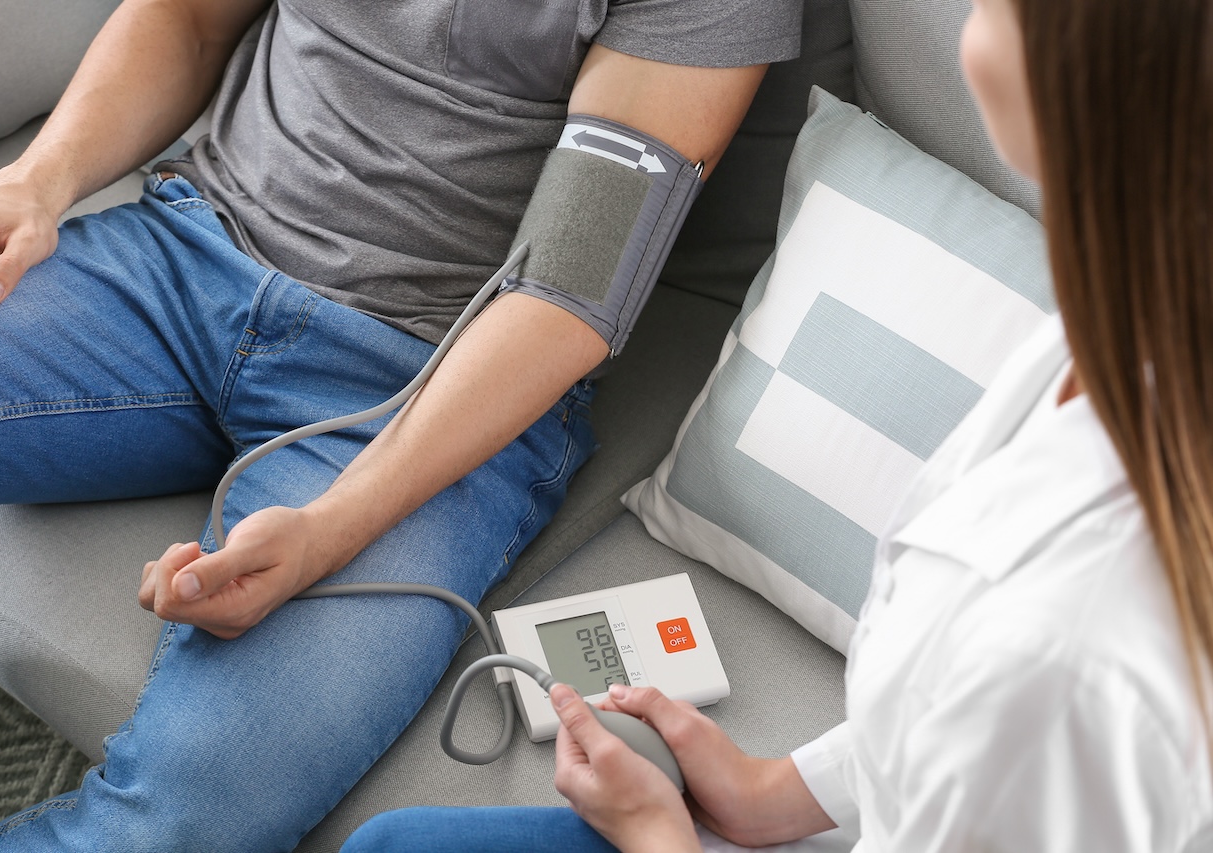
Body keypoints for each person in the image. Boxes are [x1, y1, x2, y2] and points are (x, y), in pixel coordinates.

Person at [341, 0, 1213, 850]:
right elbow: (951, 716)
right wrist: (774, 794)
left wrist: (656, 835)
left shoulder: (1064, 659)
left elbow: (1003, 714)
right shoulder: (1124, 330)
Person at [0, 0, 805, 849]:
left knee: (195, 817)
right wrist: (36, 184)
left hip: (429, 384)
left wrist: (328, 530)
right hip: (178, 257)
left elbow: (568, 291)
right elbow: (188, 20)